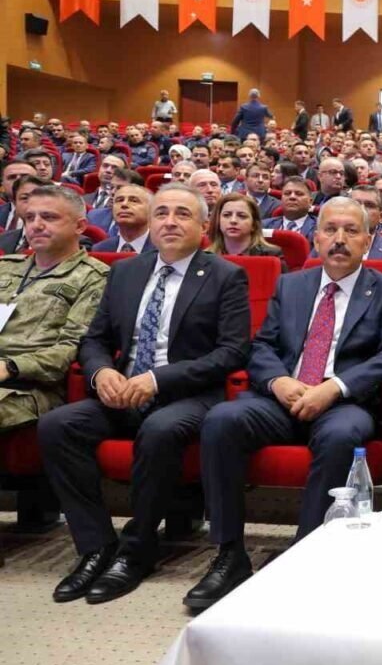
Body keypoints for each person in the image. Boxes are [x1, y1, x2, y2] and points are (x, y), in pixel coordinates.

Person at [190, 198, 382, 608]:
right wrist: (278, 381)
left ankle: (305, 553)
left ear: (367, 241)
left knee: (342, 436)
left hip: (343, 401)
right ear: (316, 238)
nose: (339, 239)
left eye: (351, 231)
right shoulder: (292, 285)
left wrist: (334, 387)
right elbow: (262, 345)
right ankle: (228, 553)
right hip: (283, 396)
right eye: (330, 230)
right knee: (221, 419)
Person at [39, 185, 251, 604]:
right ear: (150, 223)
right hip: (122, 389)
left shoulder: (225, 275)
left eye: (182, 214)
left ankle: (137, 551)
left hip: (187, 394)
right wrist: (101, 372)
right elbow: (95, 339)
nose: (170, 222)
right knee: (57, 426)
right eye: (161, 213)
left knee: (159, 429)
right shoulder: (125, 271)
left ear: (203, 226)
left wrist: (158, 380)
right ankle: (96, 546)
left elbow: (231, 352)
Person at [0, 186, 108, 435]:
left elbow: (72, 346)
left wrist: (10, 366)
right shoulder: (5, 267)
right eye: (29, 218)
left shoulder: (94, 277)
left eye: (48, 217)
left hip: (28, 387)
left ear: (79, 226)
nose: (36, 225)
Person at [210, 193, 287, 270]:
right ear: (218, 220)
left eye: (242, 216)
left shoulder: (272, 256)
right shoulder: (207, 256)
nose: (233, 220)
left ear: (254, 224)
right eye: (227, 215)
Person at [91, 183, 152, 254]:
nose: (124, 204)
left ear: (152, 209)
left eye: (134, 201)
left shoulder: (161, 248)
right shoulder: (100, 249)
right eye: (119, 200)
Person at [263, 176, 318, 243]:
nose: (292, 197)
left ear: (310, 202)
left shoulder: (318, 227)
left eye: (299, 194)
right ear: (281, 199)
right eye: (287, 193)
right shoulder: (264, 225)